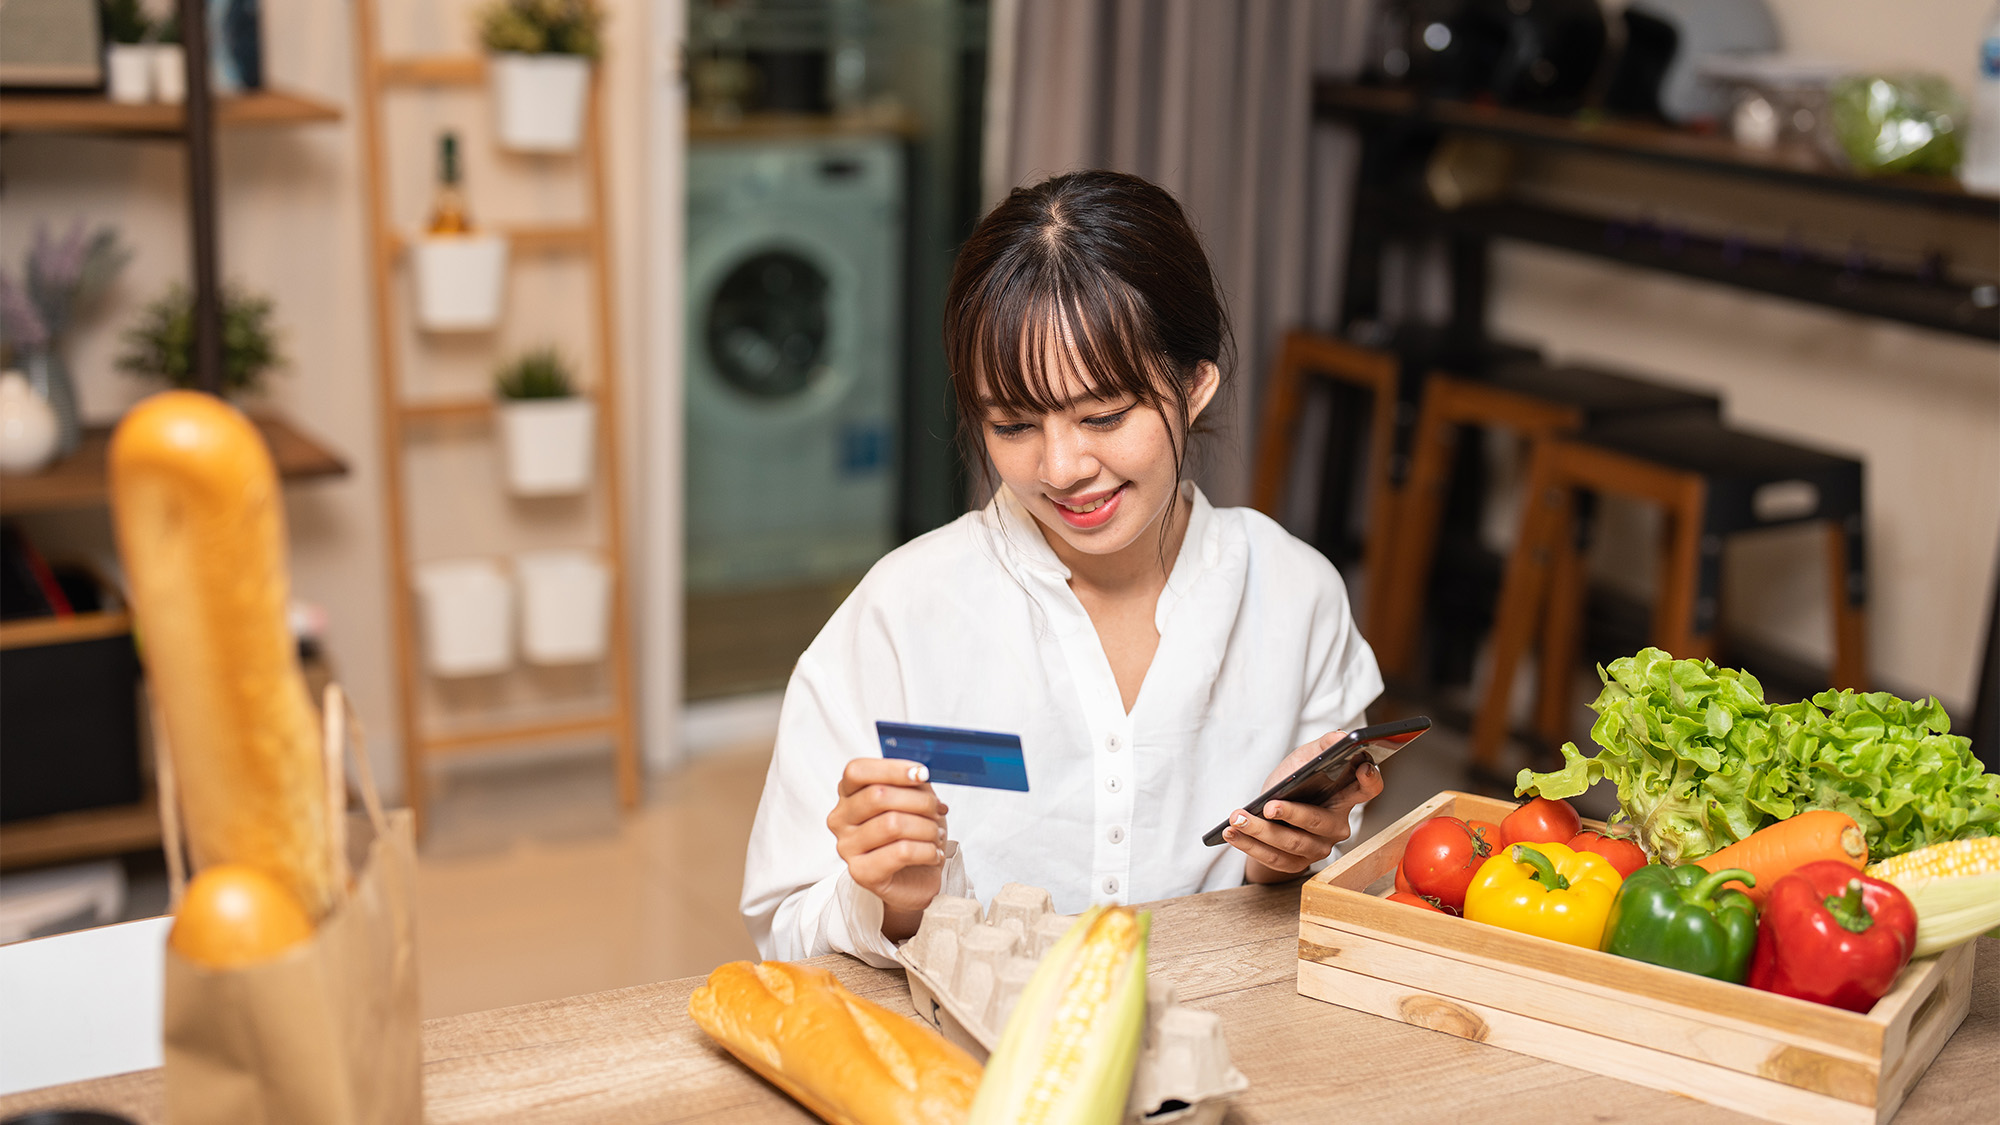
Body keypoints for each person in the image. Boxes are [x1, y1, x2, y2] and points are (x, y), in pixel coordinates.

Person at [741, 170, 1383, 967]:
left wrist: (1285, 860)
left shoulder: (1295, 596)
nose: (1063, 466)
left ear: (1194, 385)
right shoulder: (904, 612)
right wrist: (892, 902)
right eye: (1012, 424)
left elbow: (1336, 905)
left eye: (1103, 416)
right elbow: (782, 927)